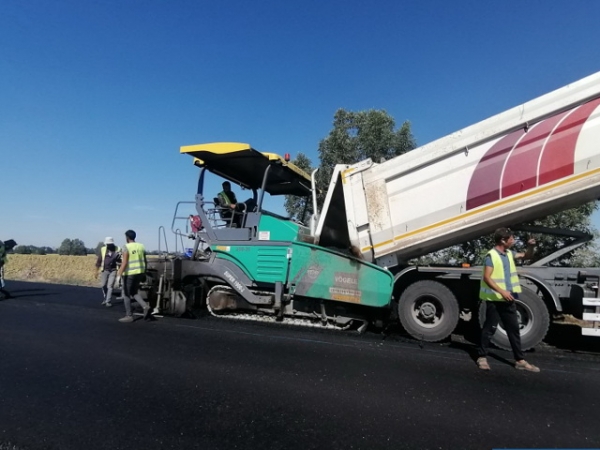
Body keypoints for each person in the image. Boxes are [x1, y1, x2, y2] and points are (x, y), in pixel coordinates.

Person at [477, 228, 540, 372]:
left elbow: (526, 256)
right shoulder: (491, 256)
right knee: (490, 328)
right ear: (502, 240)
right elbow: (487, 277)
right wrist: (502, 291)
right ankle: (482, 356)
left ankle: (520, 360)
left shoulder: (509, 254)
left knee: (514, 329)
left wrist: (531, 246)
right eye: (511, 239)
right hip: (495, 299)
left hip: (508, 298)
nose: (513, 241)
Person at [116, 230, 151, 323]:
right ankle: (145, 306)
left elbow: (125, 262)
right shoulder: (141, 246)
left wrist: (119, 275)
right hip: (140, 272)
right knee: (134, 292)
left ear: (127, 237)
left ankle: (129, 315)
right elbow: (145, 261)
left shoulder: (126, 247)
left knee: (126, 294)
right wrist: (144, 272)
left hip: (130, 273)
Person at [95, 237, 121, 307]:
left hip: (113, 270)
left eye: (110, 244)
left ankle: (108, 301)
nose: (108, 245)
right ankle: (106, 298)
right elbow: (99, 260)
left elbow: (121, 260)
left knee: (110, 286)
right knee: (103, 285)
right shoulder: (103, 249)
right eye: (107, 244)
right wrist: (96, 271)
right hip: (104, 270)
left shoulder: (118, 249)